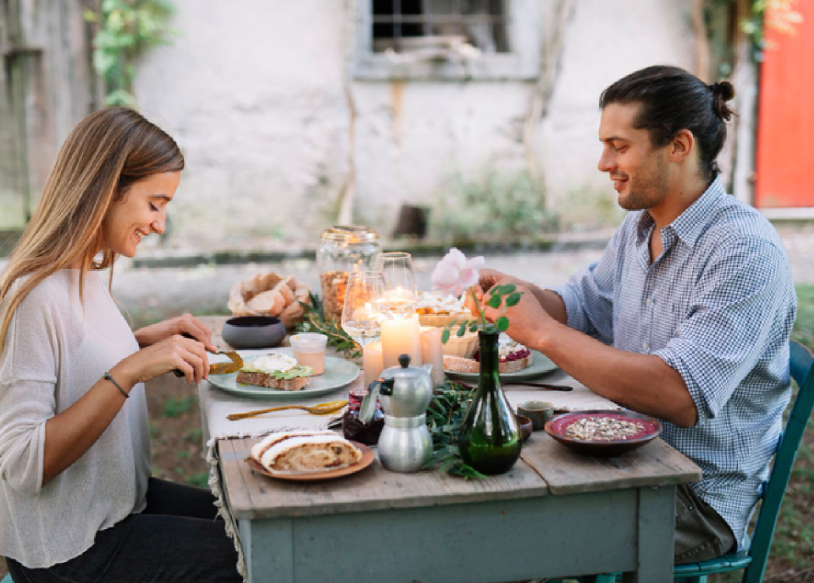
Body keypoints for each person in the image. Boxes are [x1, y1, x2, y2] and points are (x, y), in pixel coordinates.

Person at [470, 65, 797, 564]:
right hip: (619, 452)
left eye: (619, 146)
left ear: (679, 146)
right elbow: (582, 308)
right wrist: (525, 296)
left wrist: (541, 332)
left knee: (503, 541)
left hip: (693, 496)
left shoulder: (744, 251)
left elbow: (679, 393)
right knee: (483, 500)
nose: (604, 163)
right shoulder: (642, 227)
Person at [0, 108, 242, 582]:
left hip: (116, 506)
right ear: (107, 191)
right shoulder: (34, 296)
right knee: (262, 557)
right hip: (71, 550)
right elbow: (23, 465)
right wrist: (130, 368)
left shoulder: (82, 272)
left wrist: (139, 344)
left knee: (258, 521)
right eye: (154, 204)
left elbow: (66, 363)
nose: (160, 224)